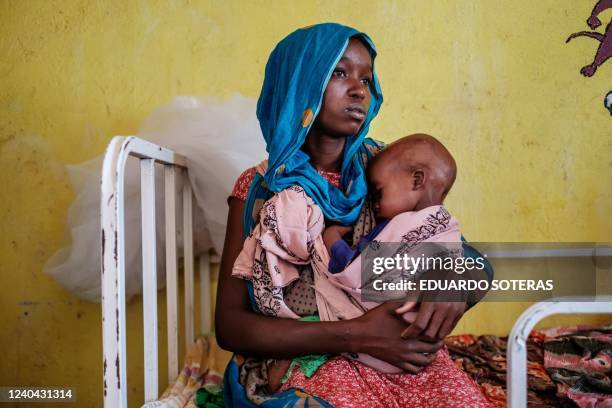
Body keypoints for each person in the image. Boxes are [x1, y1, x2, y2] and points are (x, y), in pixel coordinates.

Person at [215, 23, 492, 407]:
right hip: (311, 358)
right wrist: (356, 334)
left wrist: (454, 281)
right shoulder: (258, 190)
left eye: (367, 78)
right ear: (299, 81)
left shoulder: (384, 169)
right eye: (339, 72)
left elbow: (467, 257)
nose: (359, 89)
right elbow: (230, 326)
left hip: (398, 358)